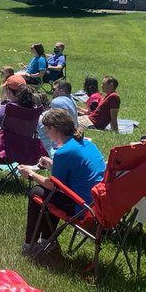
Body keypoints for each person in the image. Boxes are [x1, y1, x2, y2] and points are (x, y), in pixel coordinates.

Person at [20, 109, 107, 259]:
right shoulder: (86, 143)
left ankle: (30, 244)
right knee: (52, 196)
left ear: (53, 129)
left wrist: (31, 174)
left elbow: (54, 185)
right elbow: (76, 171)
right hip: (100, 203)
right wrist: (52, 165)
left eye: (47, 130)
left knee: (37, 192)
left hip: (83, 208)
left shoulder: (63, 152)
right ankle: (48, 241)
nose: (47, 134)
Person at [37, 79, 79, 154]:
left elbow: (56, 123)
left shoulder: (57, 102)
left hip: (61, 140)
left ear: (61, 91)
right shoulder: (71, 100)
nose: (52, 91)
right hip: (73, 135)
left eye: (54, 89)